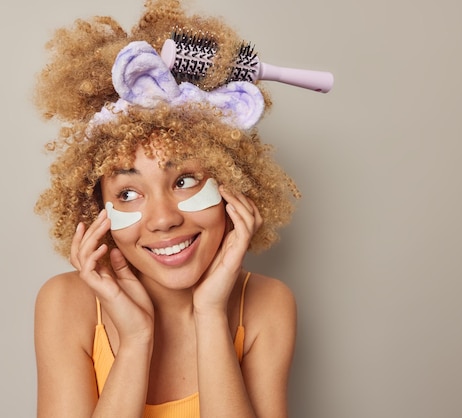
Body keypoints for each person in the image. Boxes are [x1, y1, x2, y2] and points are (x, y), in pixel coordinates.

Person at [33, 1, 300, 416]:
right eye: (127, 193)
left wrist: (210, 313)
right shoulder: (67, 304)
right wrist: (137, 338)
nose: (162, 219)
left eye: (184, 181)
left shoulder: (266, 306)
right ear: (97, 207)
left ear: (231, 184)